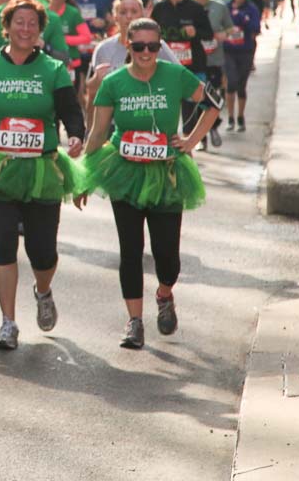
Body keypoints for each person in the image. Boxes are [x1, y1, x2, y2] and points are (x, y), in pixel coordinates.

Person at [0, 0, 86, 349]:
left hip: (41, 168)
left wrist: (75, 135)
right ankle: (8, 323)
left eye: (32, 24)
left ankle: (43, 290)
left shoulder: (53, 70)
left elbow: (70, 110)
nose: (25, 29)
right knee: (3, 244)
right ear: (6, 27)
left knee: (44, 252)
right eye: (19, 22)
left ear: (41, 30)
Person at [83, 18, 219, 349]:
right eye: (139, 46)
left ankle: (164, 292)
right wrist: (84, 177)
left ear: (160, 47)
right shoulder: (114, 82)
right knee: (130, 251)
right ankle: (134, 322)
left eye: (153, 46)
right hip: (124, 170)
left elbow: (213, 105)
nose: (146, 52)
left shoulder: (175, 75)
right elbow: (98, 132)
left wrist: (190, 140)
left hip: (167, 172)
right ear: (128, 46)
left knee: (167, 256)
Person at [149, 0, 214, 140]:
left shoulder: (195, 8)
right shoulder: (160, 8)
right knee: (167, 101)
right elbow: (150, 33)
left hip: (192, 63)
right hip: (166, 64)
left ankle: (194, 137)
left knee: (191, 102)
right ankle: (166, 137)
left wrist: (195, 32)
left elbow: (209, 33)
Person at [191, 0, 233, 150]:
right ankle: (203, 137)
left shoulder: (219, 7)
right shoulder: (189, 8)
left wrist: (223, 35)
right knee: (198, 99)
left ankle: (213, 127)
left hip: (214, 59)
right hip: (194, 61)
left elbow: (230, 28)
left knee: (213, 98)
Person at [224, 0, 262, 133]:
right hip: (229, 50)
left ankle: (240, 116)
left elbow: (255, 28)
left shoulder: (251, 9)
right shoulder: (226, 7)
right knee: (231, 82)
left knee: (241, 84)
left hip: (245, 50)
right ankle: (230, 117)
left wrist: (243, 19)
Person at [46, 0, 92, 92]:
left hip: (71, 63)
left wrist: (63, 39)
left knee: (70, 97)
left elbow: (87, 37)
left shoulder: (73, 13)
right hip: (48, 63)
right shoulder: (43, 12)